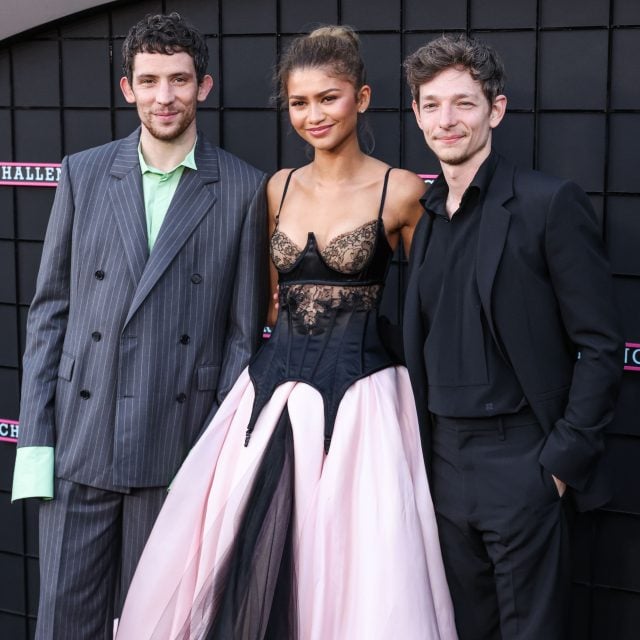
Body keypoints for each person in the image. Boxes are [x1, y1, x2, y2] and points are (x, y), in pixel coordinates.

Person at [116, 25, 457, 640]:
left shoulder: (402, 190)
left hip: (362, 408)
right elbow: (269, 300)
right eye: (299, 102)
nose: (313, 114)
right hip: (270, 398)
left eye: (328, 98)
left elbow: (435, 307)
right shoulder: (277, 186)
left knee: (353, 568)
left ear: (362, 96)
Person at [11, 13, 268, 640]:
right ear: (128, 88)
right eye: (149, 81)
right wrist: (36, 450)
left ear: (204, 86)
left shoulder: (242, 188)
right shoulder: (84, 171)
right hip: (80, 445)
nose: (165, 97)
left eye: (179, 80)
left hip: (176, 449)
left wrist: (215, 466)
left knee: (164, 628)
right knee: (64, 625)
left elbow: (241, 341)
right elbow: (49, 316)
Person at [402, 34, 622, 639]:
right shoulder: (425, 219)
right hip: (443, 464)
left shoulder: (548, 204)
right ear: (417, 114)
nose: (447, 120)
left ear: (495, 110)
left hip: (522, 460)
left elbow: (602, 346)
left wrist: (557, 465)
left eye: (464, 103)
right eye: (432, 104)